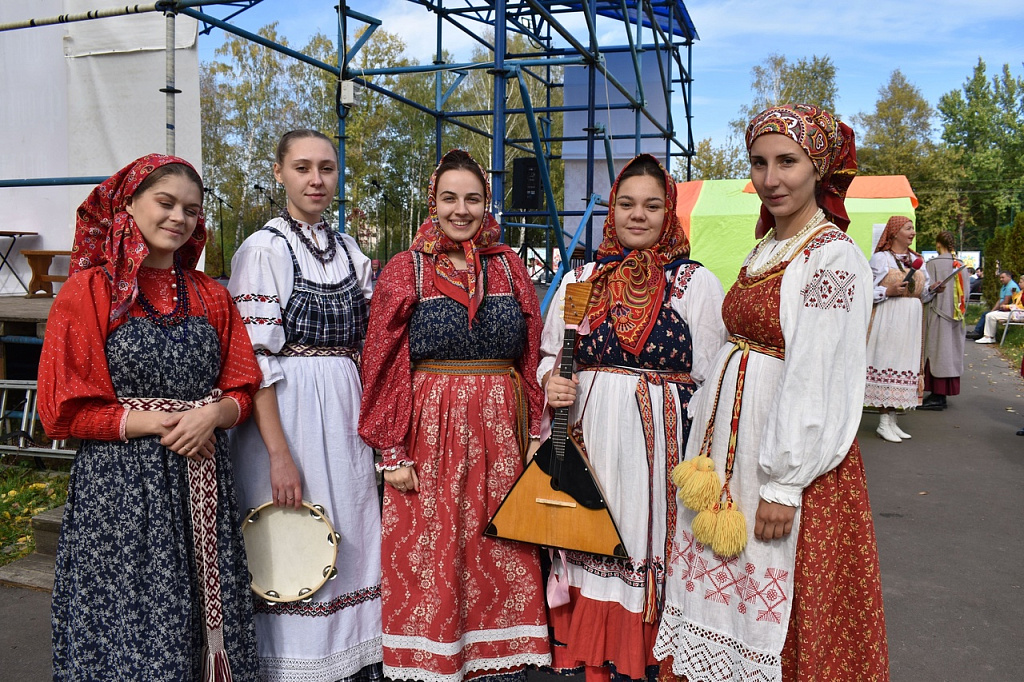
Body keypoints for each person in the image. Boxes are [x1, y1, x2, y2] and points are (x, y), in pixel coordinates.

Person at [653, 104, 889, 681]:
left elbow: (820, 375)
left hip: (784, 465)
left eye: (788, 162)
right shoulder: (768, 247)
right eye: (759, 163)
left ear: (819, 167)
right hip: (732, 457)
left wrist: (784, 483)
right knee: (721, 588)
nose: (771, 179)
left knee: (782, 601)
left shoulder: (831, 256)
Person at [38, 154, 262, 681]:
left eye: (190, 209)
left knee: (201, 620)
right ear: (129, 204)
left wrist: (215, 414)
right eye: (165, 203)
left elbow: (242, 387)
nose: (178, 218)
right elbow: (62, 411)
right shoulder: (88, 292)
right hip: (119, 493)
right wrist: (163, 424)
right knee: (127, 621)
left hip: (199, 483)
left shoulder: (210, 295)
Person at [358, 149, 551, 681]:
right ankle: (434, 659)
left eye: (472, 198)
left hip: (500, 428)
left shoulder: (510, 266)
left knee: (500, 543)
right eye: (450, 198)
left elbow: (531, 350)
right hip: (430, 428)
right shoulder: (407, 269)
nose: (460, 209)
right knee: (433, 546)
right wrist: (390, 449)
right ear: (433, 201)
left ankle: (496, 659)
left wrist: (537, 429)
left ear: (488, 203)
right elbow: (381, 358)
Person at [538, 154, 726, 682]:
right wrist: (551, 379)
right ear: (610, 210)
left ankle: (645, 658)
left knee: (644, 542)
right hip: (590, 432)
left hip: (658, 444)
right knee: (594, 536)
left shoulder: (694, 284)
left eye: (651, 205)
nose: (637, 215)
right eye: (626, 203)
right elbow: (552, 354)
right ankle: (594, 658)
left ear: (669, 213)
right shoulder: (582, 278)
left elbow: (712, 375)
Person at [227, 129, 382, 681]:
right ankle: (296, 666)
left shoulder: (346, 249)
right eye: (302, 168)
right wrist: (278, 454)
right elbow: (254, 361)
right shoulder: (265, 249)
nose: (316, 179)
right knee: (294, 536)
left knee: (350, 533)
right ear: (279, 173)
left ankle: (347, 660)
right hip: (289, 412)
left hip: (343, 408)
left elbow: (380, 332)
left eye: (326, 168)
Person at [865, 216, 942, 442]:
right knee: (887, 362)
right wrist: (887, 292)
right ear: (895, 232)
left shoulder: (918, 260)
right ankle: (882, 422)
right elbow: (865, 290)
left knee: (903, 364)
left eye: (913, 228)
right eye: (908, 228)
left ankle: (892, 421)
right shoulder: (881, 259)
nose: (913, 232)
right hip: (889, 317)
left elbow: (923, 293)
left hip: (910, 319)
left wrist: (934, 290)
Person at [920, 231, 967, 410]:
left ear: (938, 243)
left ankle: (937, 396)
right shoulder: (961, 266)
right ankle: (940, 394)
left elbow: (927, 291)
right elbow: (966, 296)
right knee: (948, 354)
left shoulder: (932, 264)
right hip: (956, 318)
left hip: (937, 316)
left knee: (936, 353)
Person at [972, 270, 1021, 344]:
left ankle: (983, 335)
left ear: (1009, 277)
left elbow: (1006, 301)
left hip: (1009, 310)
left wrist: (997, 310)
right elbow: (1000, 300)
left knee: (988, 315)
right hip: (1007, 309)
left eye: (1003, 277)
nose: (1001, 279)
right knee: (987, 314)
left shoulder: (1012, 286)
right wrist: (993, 310)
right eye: (1000, 278)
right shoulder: (1004, 286)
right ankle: (981, 334)